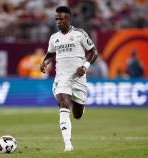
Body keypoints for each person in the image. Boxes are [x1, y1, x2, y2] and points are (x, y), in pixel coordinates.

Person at [40, 6, 99, 152]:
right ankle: (68, 145)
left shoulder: (79, 34)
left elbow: (94, 52)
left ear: (68, 18)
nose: (58, 21)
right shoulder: (54, 38)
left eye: (61, 18)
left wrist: (85, 66)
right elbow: (50, 54)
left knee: (77, 114)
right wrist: (44, 63)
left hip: (78, 78)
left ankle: (79, 104)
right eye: (56, 19)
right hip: (62, 78)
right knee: (64, 103)